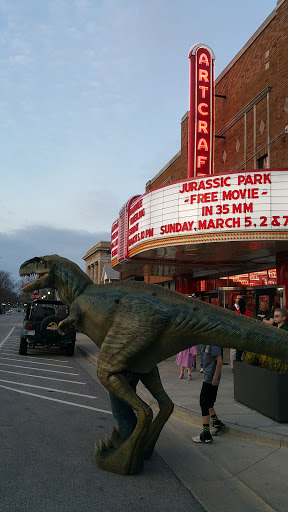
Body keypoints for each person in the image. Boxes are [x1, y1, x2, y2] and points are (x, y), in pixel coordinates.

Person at [192, 345, 225, 443]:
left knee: (204, 403)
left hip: (210, 380)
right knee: (209, 402)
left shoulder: (213, 344)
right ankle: (216, 422)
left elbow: (220, 361)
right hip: (209, 377)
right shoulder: (209, 344)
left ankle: (206, 434)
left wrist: (215, 378)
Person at [109, 372, 139, 442]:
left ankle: (129, 447)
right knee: (126, 413)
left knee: (122, 415)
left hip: (123, 376)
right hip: (125, 375)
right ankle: (134, 443)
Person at [230, 293, 243, 368]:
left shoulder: (243, 309)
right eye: (238, 298)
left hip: (241, 332)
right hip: (234, 331)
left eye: (241, 299)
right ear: (235, 299)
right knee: (233, 350)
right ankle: (233, 365)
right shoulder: (232, 308)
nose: (240, 300)